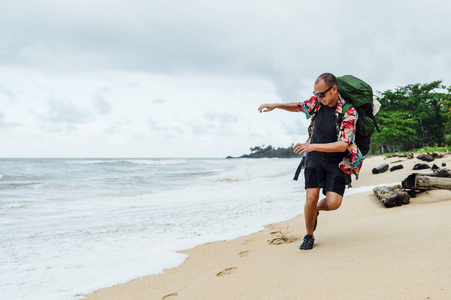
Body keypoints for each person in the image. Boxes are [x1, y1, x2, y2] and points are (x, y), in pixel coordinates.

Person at [258, 73, 363, 250]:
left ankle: (315, 211)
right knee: (311, 197)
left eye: (321, 94)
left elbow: (342, 145)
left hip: (336, 162)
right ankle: (309, 235)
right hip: (314, 159)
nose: (318, 97)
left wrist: (313, 146)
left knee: (334, 203)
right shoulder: (317, 103)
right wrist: (276, 105)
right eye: (316, 94)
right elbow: (299, 106)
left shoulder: (349, 112)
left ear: (334, 89)